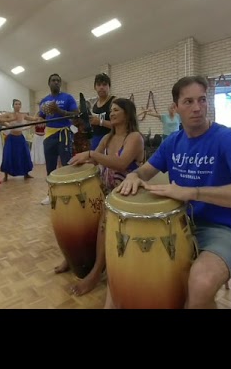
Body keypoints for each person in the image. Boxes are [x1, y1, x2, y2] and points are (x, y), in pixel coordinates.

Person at [113, 76, 231, 309]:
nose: (197, 107)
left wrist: (193, 192)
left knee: (200, 282)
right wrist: (133, 175)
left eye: (202, 100)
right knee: (126, 261)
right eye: (188, 102)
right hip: (181, 224)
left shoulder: (229, 139)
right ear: (175, 108)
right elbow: (144, 171)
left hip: (227, 230)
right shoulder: (173, 142)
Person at [61, 98, 144, 296]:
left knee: (104, 217)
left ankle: (96, 272)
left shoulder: (134, 137)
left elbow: (121, 163)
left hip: (128, 194)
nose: (111, 113)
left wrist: (92, 154)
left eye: (116, 110)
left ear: (127, 113)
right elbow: (93, 158)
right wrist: (77, 163)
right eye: (111, 110)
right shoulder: (107, 138)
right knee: (84, 213)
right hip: (108, 192)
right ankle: (76, 258)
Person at [38, 74, 79, 205]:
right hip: (49, 134)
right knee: (50, 166)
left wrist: (59, 110)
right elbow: (41, 116)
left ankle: (69, 193)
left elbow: (75, 114)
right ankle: (51, 194)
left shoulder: (67, 97)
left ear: (60, 84)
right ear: (49, 83)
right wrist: (39, 119)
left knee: (67, 164)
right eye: (53, 81)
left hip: (64, 133)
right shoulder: (44, 100)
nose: (56, 82)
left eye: (58, 81)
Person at [1, 99, 35, 181]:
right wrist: (7, 124)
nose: (18, 105)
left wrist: (40, 117)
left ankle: (26, 174)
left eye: (19, 104)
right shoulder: (8, 114)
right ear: (13, 105)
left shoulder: (23, 115)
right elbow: (0, 119)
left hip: (20, 138)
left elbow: (33, 119)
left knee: (25, 154)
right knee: (8, 156)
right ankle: (5, 176)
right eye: (16, 104)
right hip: (11, 138)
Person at [89, 73, 115, 151]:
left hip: (111, 139)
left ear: (109, 87)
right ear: (95, 87)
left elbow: (120, 126)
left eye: (104, 85)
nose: (101, 87)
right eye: (99, 85)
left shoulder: (114, 102)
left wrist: (100, 122)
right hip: (96, 139)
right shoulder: (94, 105)